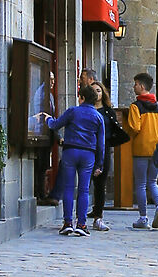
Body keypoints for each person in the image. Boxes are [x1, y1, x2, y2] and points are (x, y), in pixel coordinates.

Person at [51, 79, 107, 236]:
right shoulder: (98, 117)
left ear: (81, 97)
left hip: (70, 151)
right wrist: (99, 164)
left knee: (68, 188)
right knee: (83, 189)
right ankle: (81, 224)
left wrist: (47, 119)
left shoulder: (73, 111)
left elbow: (55, 125)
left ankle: (68, 222)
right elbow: (101, 144)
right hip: (88, 154)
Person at [122, 70, 158, 230]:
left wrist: (125, 127)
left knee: (141, 184)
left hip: (141, 149)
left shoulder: (136, 106)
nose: (134, 87)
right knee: (153, 182)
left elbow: (135, 127)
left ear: (141, 86)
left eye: (135, 84)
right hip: (157, 150)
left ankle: (143, 218)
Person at [82, 68, 122, 231]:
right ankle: (81, 217)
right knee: (85, 184)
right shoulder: (85, 110)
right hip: (87, 150)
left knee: (100, 185)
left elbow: (114, 130)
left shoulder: (108, 112)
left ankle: (98, 216)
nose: (97, 93)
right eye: (94, 91)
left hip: (103, 150)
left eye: (99, 90)